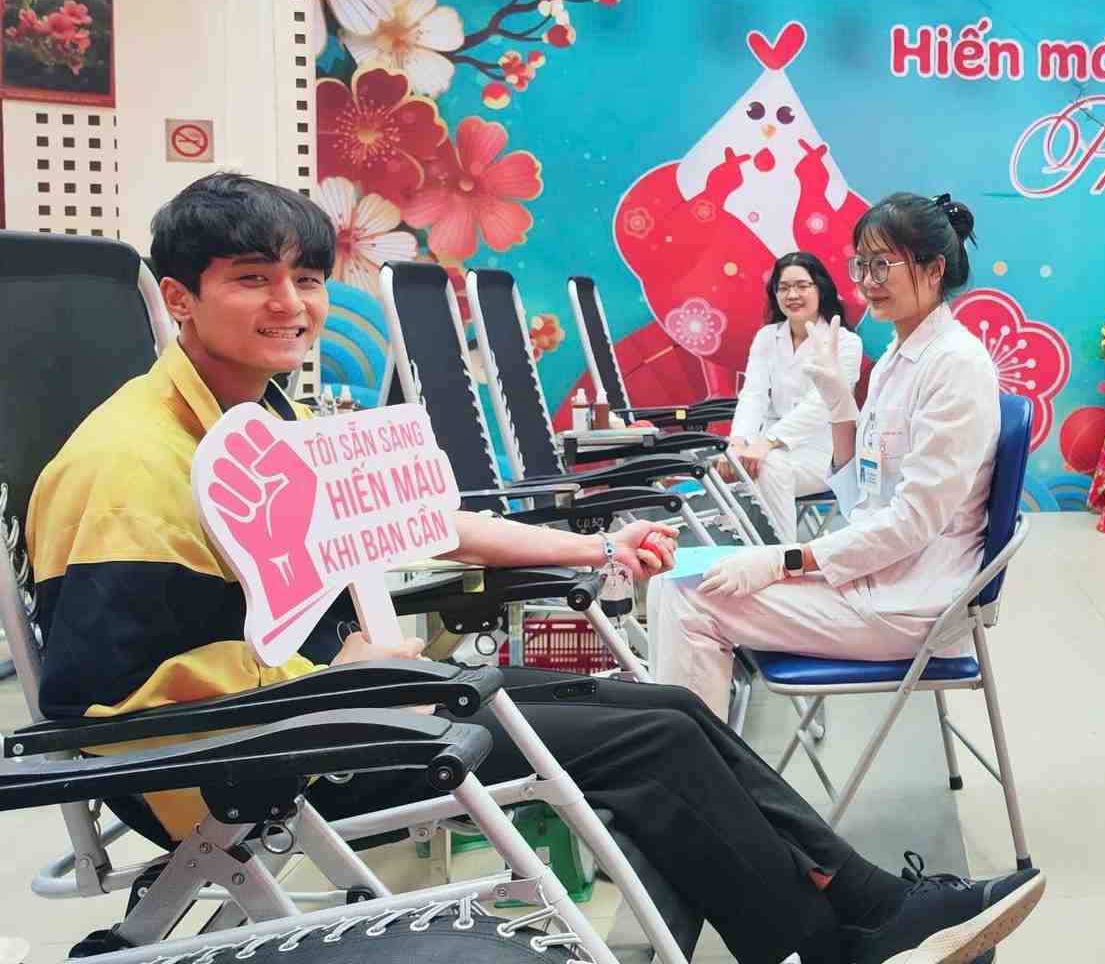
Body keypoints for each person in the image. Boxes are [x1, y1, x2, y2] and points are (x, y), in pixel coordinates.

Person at [26, 174, 1042, 964]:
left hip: (360, 701)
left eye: (305, 278)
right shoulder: (124, 465)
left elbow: (430, 521)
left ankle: (867, 912)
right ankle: (836, 939)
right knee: (650, 746)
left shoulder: (256, 420)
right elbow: (111, 712)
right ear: (177, 298)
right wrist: (342, 681)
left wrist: (596, 548)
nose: (291, 304)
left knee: (670, 713)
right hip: (282, 753)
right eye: (253, 279)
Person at [657, 193, 1000, 718]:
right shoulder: (897, 358)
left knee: (689, 599)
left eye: (882, 264)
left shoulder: (955, 366)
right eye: (861, 264)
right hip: (879, 571)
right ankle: (695, 769)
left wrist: (786, 558)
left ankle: (694, 787)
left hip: (908, 599)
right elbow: (863, 491)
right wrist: (842, 405)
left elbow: (912, 522)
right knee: (670, 582)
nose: (866, 280)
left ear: (933, 270)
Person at [725, 252, 864, 538]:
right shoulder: (767, 336)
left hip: (825, 452)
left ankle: (783, 559)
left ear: (820, 289)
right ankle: (748, 554)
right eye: (784, 287)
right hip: (766, 447)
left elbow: (823, 405)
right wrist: (738, 441)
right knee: (733, 461)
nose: (793, 294)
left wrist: (769, 441)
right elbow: (753, 395)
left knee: (770, 466)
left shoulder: (847, 343)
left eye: (802, 285)